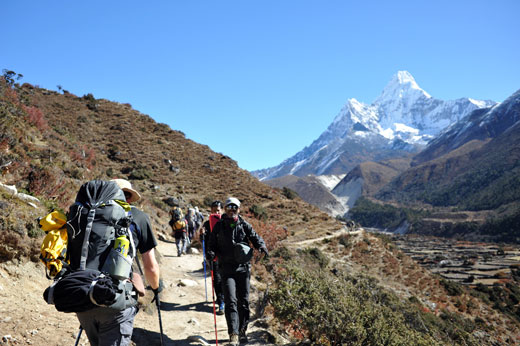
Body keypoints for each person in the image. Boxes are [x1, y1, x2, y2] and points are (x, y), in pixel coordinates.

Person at [75, 179, 162, 346]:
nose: (126, 199)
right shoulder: (138, 217)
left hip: (84, 294)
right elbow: (150, 266)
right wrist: (156, 288)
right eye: (126, 195)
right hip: (116, 300)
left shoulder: (87, 214)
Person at [207, 197, 268, 345]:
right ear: (226, 209)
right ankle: (233, 334)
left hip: (243, 268)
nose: (232, 210)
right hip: (226, 269)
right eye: (229, 207)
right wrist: (211, 253)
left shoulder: (244, 225)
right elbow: (211, 244)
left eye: (235, 208)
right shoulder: (219, 226)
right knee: (231, 301)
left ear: (238, 209)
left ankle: (242, 331)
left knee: (244, 302)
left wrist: (261, 246)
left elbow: (255, 237)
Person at [201, 200, 225, 315]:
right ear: (211, 210)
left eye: (219, 209)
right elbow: (204, 241)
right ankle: (221, 302)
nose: (217, 211)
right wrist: (202, 235)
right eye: (214, 209)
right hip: (214, 256)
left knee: (225, 278)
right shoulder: (207, 224)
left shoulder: (226, 222)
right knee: (217, 278)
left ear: (222, 210)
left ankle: (224, 299)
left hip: (226, 256)